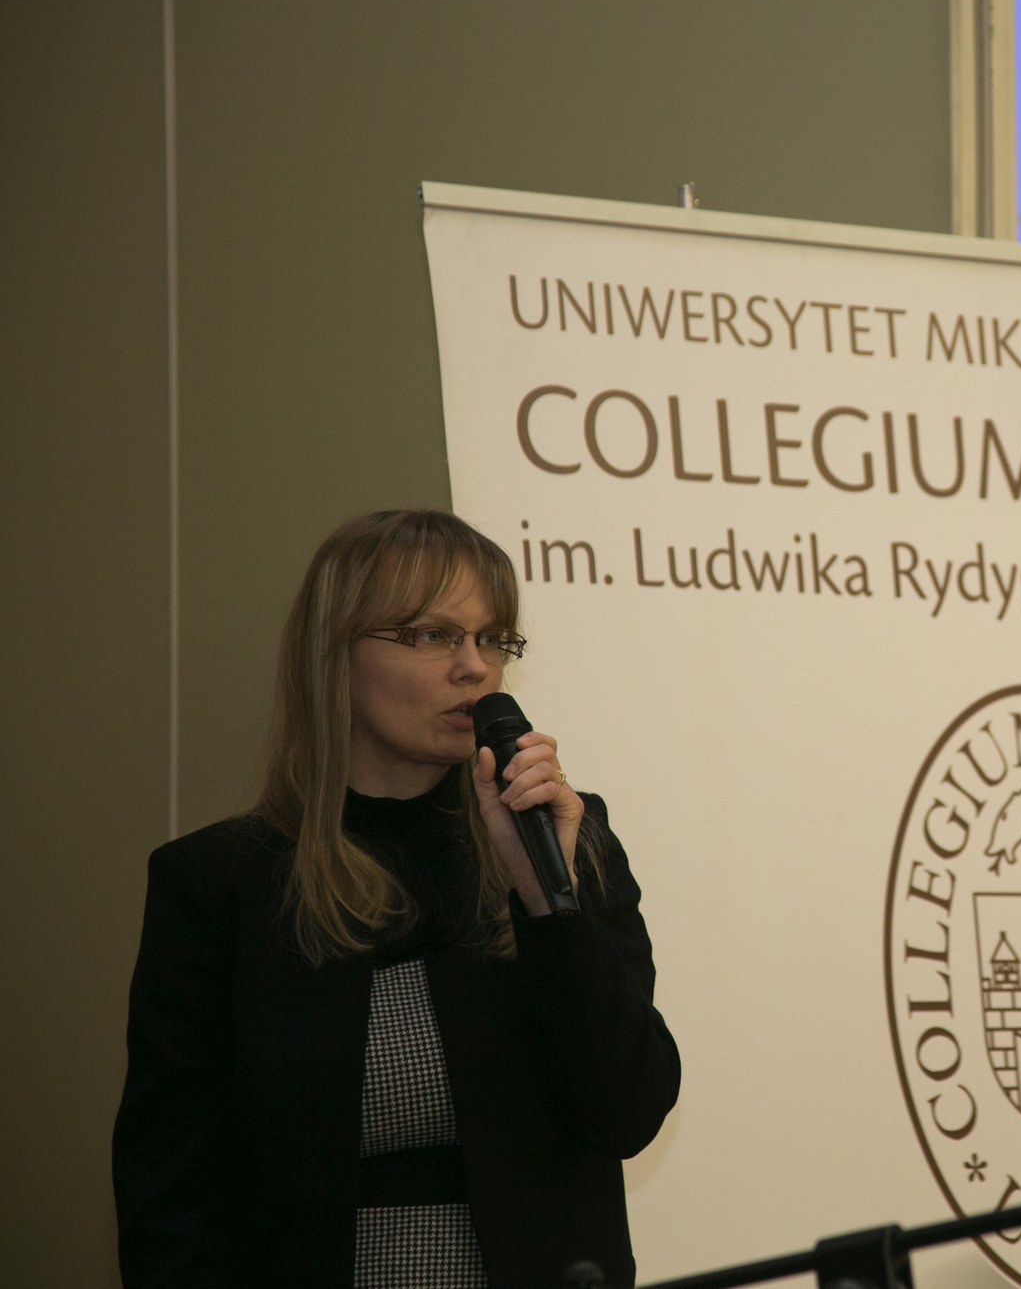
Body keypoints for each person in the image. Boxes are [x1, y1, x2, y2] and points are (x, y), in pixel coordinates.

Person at [113, 510, 680, 1289]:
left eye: (492, 639)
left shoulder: (566, 838)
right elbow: (170, 1199)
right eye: (432, 634)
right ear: (335, 651)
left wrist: (548, 901)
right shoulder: (218, 884)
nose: (474, 667)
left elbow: (628, 1109)